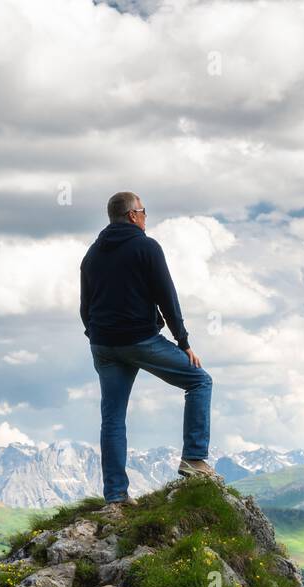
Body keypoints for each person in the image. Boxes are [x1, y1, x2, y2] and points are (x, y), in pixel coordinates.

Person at [80, 191, 217, 502]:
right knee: (200, 381)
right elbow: (167, 297)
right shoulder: (146, 247)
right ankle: (194, 459)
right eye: (144, 211)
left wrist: (96, 335)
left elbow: (84, 306)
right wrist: (183, 343)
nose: (145, 217)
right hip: (139, 339)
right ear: (132, 215)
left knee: (112, 418)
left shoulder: (92, 254)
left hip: (103, 345)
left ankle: (116, 496)